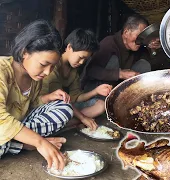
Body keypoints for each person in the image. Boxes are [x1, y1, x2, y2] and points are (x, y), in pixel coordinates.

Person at [0, 20, 74, 170]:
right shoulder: (2, 70)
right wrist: (40, 142)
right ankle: (22, 144)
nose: (47, 72)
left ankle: (15, 142)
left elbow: (31, 105)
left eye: (52, 66)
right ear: (24, 52)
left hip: (19, 124)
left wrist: (47, 98)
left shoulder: (35, 77)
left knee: (65, 108)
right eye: (43, 64)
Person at [41, 28, 112, 130]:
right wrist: (83, 118)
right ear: (69, 47)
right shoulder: (53, 66)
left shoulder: (73, 70)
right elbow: (58, 101)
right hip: (49, 106)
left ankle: (69, 123)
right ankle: (71, 123)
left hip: (66, 105)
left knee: (101, 104)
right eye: (80, 57)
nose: (82, 62)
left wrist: (96, 91)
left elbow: (76, 98)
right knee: (65, 110)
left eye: (85, 59)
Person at [80, 14, 161, 92]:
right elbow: (91, 71)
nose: (141, 39)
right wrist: (120, 74)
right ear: (126, 32)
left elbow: (150, 64)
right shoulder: (109, 43)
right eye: (139, 36)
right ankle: (103, 100)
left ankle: (133, 95)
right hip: (94, 89)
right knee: (114, 60)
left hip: (116, 87)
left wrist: (152, 49)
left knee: (144, 64)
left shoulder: (138, 46)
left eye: (144, 36)